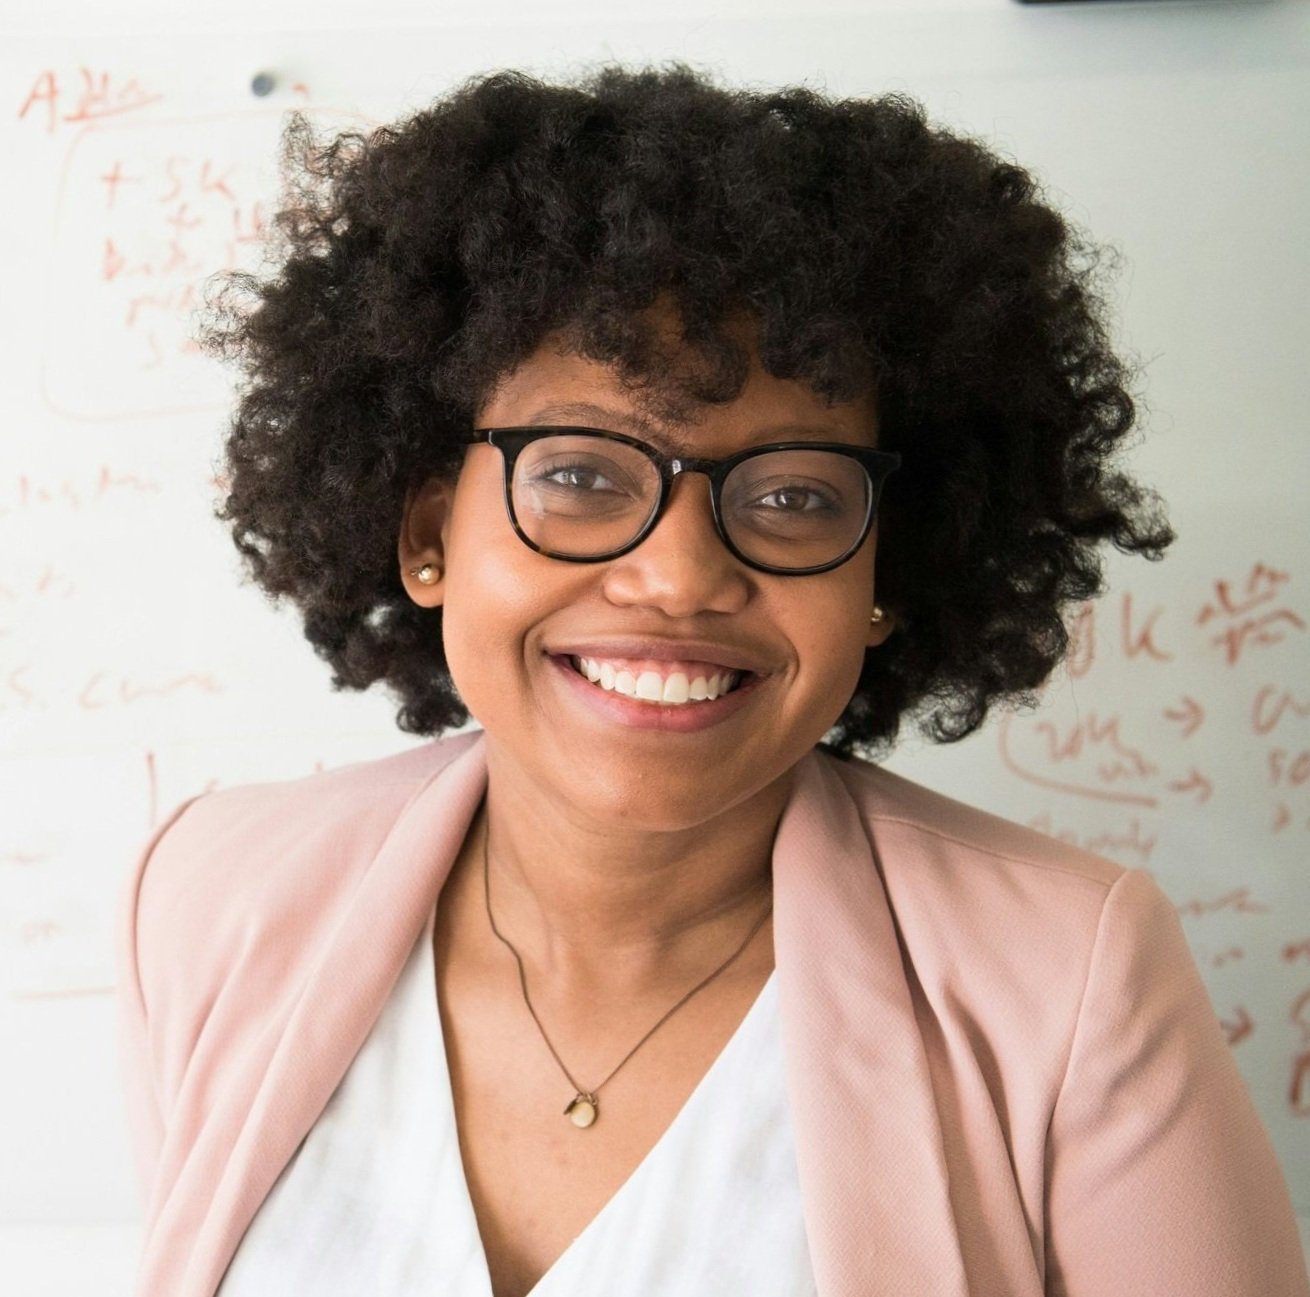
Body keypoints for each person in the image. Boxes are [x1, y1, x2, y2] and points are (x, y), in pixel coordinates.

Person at [115, 66, 1309, 1297]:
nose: (678, 576)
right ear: (428, 533)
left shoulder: (1068, 979)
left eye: (793, 496)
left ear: (885, 571)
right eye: (579, 473)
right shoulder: (208, 896)